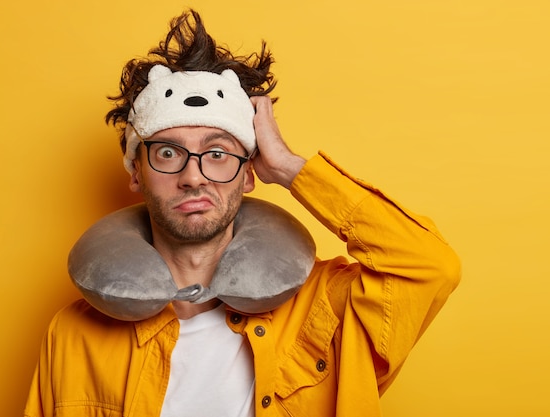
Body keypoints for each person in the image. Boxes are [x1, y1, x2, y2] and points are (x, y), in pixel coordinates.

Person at [24, 9, 461, 417]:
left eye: (217, 153)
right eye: (168, 152)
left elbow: (430, 266)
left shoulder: (327, 307)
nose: (193, 176)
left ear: (249, 173)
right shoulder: (73, 334)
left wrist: (290, 168)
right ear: (136, 173)